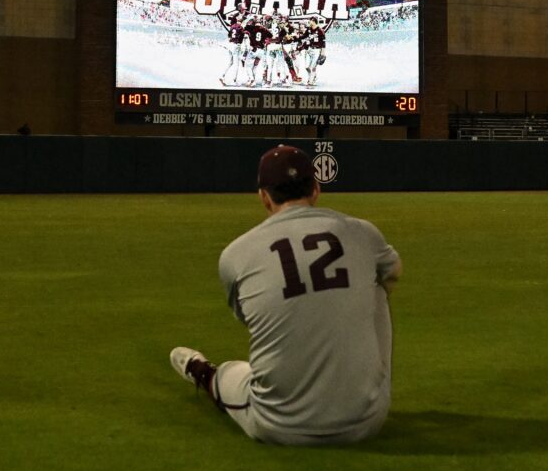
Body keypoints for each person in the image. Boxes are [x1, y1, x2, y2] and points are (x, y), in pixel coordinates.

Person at [170, 145, 402, 445]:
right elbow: (394, 272)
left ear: (264, 197)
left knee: (230, 373)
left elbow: (252, 320)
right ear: (316, 190)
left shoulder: (236, 254)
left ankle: (201, 372)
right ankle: (357, 389)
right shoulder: (361, 232)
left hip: (278, 423)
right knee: (377, 284)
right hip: (367, 421)